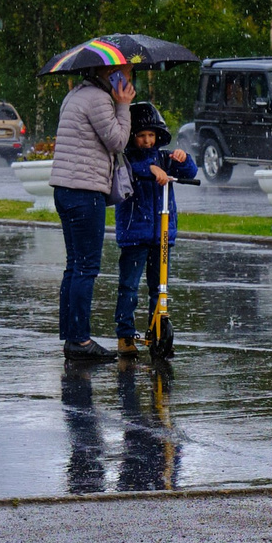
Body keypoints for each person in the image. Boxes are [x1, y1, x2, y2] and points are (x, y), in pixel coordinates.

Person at [50, 63, 135, 359]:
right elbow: (118, 141)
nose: (129, 78)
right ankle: (81, 341)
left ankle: (72, 337)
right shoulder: (99, 99)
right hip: (85, 192)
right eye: (126, 73)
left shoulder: (75, 94)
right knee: (86, 267)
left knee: (74, 265)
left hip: (65, 189)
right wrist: (123, 105)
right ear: (110, 73)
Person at [114, 100, 198, 354]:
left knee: (159, 286)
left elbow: (190, 171)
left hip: (162, 233)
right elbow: (131, 170)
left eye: (151, 135)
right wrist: (149, 169)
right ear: (132, 136)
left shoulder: (163, 158)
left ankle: (157, 328)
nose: (147, 141)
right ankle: (125, 334)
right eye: (141, 136)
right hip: (135, 233)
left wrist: (182, 158)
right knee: (129, 285)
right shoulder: (126, 159)